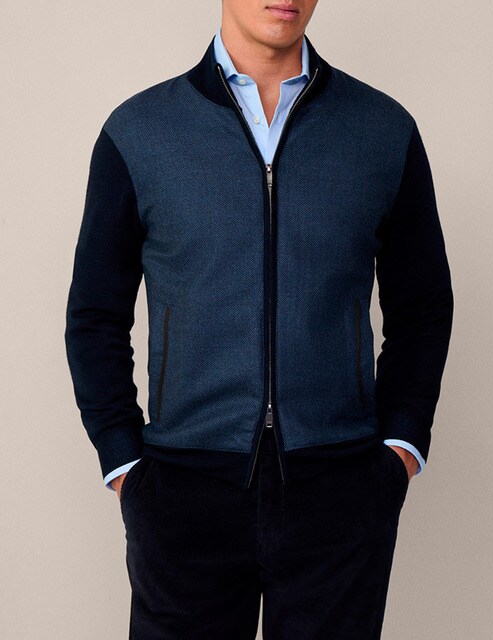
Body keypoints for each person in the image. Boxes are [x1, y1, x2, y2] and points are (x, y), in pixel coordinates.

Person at [64, 1, 454, 638]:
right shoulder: (140, 132)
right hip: (183, 490)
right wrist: (123, 462)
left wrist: (400, 449)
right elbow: (94, 313)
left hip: (340, 489)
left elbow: (423, 305)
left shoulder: (382, 130)